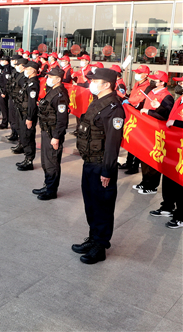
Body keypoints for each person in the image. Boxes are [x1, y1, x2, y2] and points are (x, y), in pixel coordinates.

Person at [72, 67, 125, 264]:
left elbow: (113, 143)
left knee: (102, 207)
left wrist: (107, 171)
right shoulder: (98, 103)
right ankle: (93, 238)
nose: (91, 84)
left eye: (95, 81)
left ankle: (100, 246)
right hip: (89, 162)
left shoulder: (114, 109)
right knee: (91, 204)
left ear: (107, 85)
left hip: (102, 165)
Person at [133, 70, 174, 195]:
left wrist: (150, 111)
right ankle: (145, 182)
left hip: (157, 131)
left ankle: (152, 186)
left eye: (155, 80)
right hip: (146, 129)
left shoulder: (167, 96)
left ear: (162, 83)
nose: (152, 81)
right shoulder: (151, 92)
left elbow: (167, 115)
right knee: (144, 156)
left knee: (154, 158)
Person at [34, 67, 70, 200]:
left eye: (50, 77)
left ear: (58, 79)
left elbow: (62, 120)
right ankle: (47, 185)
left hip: (53, 133)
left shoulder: (60, 95)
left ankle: (51, 190)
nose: (47, 79)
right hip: (46, 130)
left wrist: (56, 137)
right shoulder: (52, 91)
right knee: (46, 161)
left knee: (52, 162)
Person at [120, 65, 154, 175]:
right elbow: (132, 96)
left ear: (145, 75)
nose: (137, 74)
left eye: (139, 73)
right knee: (131, 139)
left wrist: (129, 102)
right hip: (132, 115)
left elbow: (140, 102)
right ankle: (129, 162)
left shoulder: (147, 87)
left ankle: (134, 166)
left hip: (139, 117)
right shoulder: (137, 84)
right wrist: (127, 99)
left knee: (137, 143)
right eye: (137, 72)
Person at [160, 76, 183, 229]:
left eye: (182, 82)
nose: (179, 84)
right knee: (168, 177)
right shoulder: (179, 99)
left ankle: (181, 216)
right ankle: (167, 206)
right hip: (172, 147)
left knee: (180, 182)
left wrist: (176, 123)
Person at [15, 61, 40, 171]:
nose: (25, 70)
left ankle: (29, 160)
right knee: (24, 136)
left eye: (27, 68)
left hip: (27, 115)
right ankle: (26, 158)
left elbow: (32, 104)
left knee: (28, 136)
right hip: (23, 113)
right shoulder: (28, 82)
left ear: (33, 70)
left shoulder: (33, 84)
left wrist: (30, 118)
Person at [0, 55, 12, 130]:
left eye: (2, 60)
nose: (1, 62)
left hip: (3, 91)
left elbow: (6, 82)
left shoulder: (7, 69)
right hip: (0, 89)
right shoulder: (4, 68)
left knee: (4, 108)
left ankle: (5, 123)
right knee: (3, 108)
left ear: (6, 61)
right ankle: (4, 121)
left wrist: (4, 92)